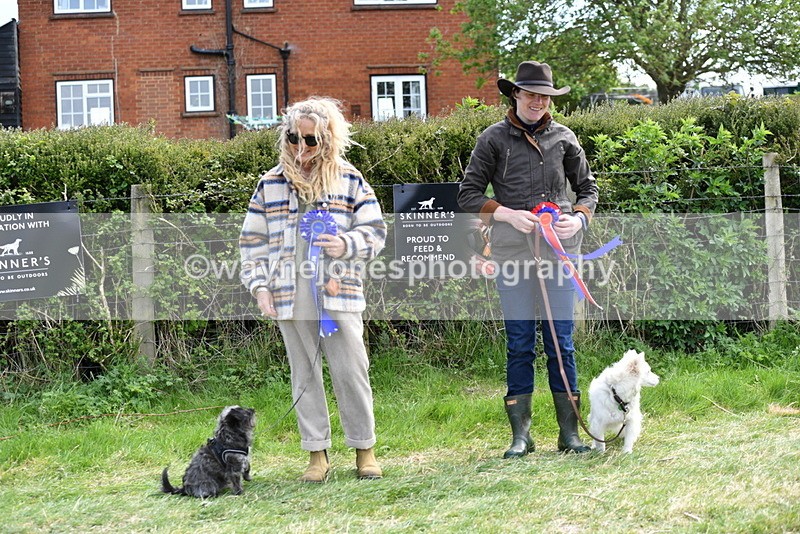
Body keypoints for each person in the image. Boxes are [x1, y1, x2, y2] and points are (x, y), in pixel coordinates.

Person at [239, 97, 387, 482]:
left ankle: (364, 449)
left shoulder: (350, 179)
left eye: (310, 140)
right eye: (293, 138)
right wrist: (260, 288)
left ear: (328, 139)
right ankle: (316, 454)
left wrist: (346, 245)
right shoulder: (269, 184)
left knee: (351, 370)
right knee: (303, 375)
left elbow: (375, 231)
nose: (301, 148)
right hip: (289, 296)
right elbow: (252, 242)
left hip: (339, 293)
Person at [458, 61, 599, 457]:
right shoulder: (492, 139)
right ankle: (521, 436)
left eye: (544, 95)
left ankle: (569, 434)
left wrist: (579, 218)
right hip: (511, 253)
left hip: (558, 252)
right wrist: (504, 213)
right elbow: (467, 194)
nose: (538, 101)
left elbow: (587, 189)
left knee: (562, 343)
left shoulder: (565, 138)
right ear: (515, 94)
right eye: (530, 93)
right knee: (520, 342)